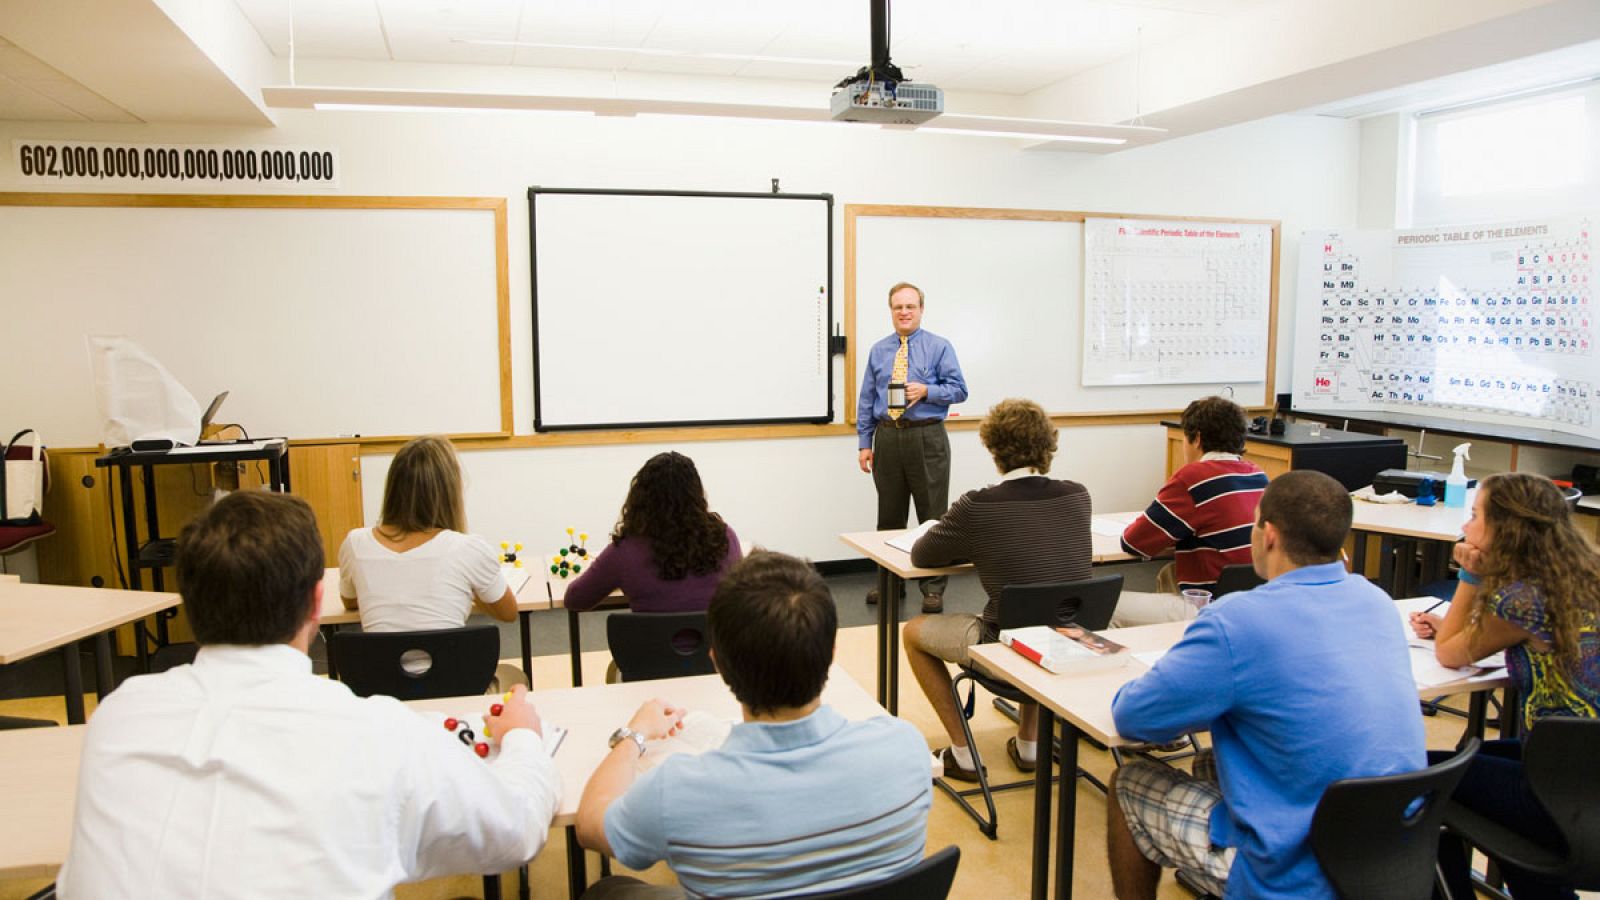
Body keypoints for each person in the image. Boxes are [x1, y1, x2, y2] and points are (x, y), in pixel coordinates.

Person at [59, 491, 561, 898]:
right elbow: (514, 831)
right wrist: (522, 737)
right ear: (317, 602)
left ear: (189, 604)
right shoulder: (377, 734)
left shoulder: (119, 716)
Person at [1107, 470, 1424, 900]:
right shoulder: (1378, 602)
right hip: (1388, 855)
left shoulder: (1237, 620)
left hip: (1294, 874)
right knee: (1211, 763)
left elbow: (1134, 716)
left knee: (1128, 785)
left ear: (1268, 535)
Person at [576, 550, 932, 899]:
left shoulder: (677, 791)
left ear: (717, 662)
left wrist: (633, 737)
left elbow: (591, 826)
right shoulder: (906, 748)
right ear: (832, 652)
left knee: (608, 891)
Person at [1410, 473, 1600, 900]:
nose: (1465, 526)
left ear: (1506, 528)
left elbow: (1450, 653)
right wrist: (1460, 629)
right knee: (1469, 758)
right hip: (1583, 771)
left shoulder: (1522, 599)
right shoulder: (1584, 575)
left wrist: (1470, 575)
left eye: (1475, 516)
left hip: (1560, 793)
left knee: (1424, 776)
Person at [903, 398, 1093, 781]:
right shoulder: (1078, 495)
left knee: (912, 632)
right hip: (1071, 645)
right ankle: (1029, 745)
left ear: (993, 448)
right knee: (1044, 609)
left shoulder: (978, 506)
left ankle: (963, 754)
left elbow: (923, 555)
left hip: (1008, 650)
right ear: (1048, 444)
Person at [338, 434, 523, 688]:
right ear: (449, 491)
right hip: (455, 687)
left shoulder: (355, 543)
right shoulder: (468, 549)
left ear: (393, 487)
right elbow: (508, 613)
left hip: (380, 689)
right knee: (516, 677)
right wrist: (469, 590)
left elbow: (350, 602)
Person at [857, 281, 968, 614]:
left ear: (921, 309)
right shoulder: (879, 350)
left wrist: (927, 391)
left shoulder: (939, 347)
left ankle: (932, 588)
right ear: (891, 311)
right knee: (889, 516)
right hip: (888, 436)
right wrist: (865, 443)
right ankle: (889, 582)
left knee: (931, 516)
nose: (904, 312)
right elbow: (867, 399)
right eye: (898, 307)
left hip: (927, 436)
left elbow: (960, 390)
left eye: (910, 306)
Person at [1113, 395, 1268, 627]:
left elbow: (1133, 543)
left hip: (1212, 606)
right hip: (1255, 601)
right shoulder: (1258, 476)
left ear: (1197, 438)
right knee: (1169, 572)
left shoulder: (1193, 479)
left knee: (1107, 605)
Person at [565, 451, 741, 613]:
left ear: (640, 497)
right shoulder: (725, 537)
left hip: (650, 639)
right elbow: (740, 594)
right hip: (714, 638)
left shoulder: (624, 552)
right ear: (697, 494)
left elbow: (575, 600)